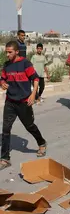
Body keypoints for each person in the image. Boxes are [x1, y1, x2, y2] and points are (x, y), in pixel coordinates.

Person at [0, 41, 47, 170]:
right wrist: (2, 82)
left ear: (16, 52)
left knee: (29, 126)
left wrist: (33, 95)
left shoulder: (25, 63)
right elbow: (2, 78)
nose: (7, 54)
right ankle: (4, 158)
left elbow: (36, 78)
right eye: (6, 52)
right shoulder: (6, 65)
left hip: (23, 102)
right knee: (5, 129)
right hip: (10, 101)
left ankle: (41, 142)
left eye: (10, 52)